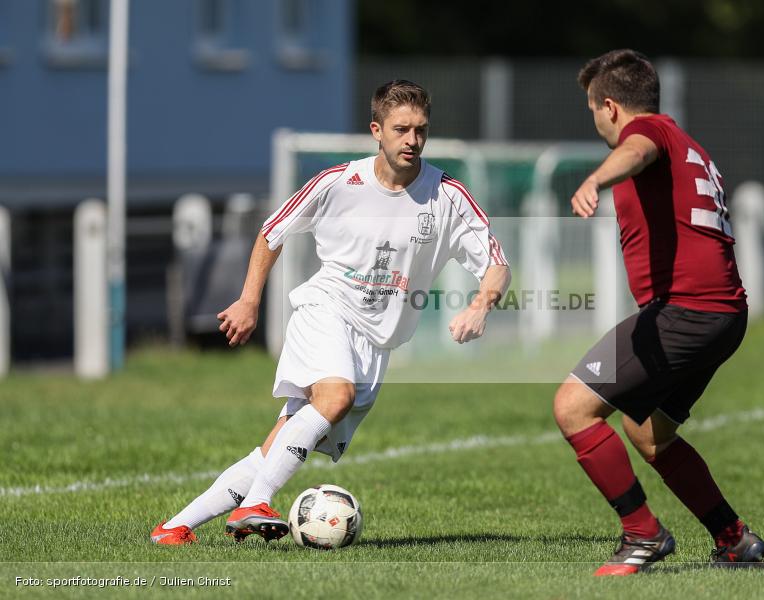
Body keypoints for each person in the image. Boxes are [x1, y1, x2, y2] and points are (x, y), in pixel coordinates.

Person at [151, 80, 511, 545]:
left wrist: (481, 305)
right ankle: (255, 505)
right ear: (376, 131)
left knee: (276, 448)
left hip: (377, 344)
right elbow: (271, 232)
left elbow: (497, 265)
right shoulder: (339, 183)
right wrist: (248, 300)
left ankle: (175, 527)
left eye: (421, 131)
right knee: (335, 395)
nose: (412, 141)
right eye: (401, 130)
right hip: (326, 309)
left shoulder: (447, 195)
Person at [552, 50, 764, 576]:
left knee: (573, 409)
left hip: (686, 312)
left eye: (592, 110)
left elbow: (637, 151)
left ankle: (642, 536)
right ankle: (734, 540)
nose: (596, 121)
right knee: (650, 433)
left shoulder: (648, 134)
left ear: (609, 106)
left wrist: (595, 180)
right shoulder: (689, 143)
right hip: (723, 315)